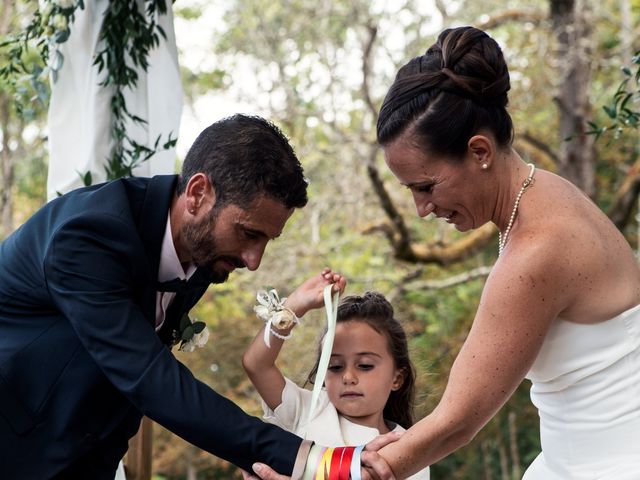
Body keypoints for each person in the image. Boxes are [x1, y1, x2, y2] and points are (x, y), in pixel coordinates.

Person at [248, 26, 640, 480]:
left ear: (479, 151)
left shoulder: (538, 250)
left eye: (426, 186)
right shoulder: (549, 199)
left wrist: (321, 474)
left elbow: (453, 423)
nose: (421, 209)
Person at [0, 114, 313, 479]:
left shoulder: (202, 253)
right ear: (198, 194)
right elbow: (150, 378)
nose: (253, 260)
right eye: (248, 233)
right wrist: (307, 459)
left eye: (266, 241)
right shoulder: (88, 236)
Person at [242, 269, 430, 479]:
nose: (348, 377)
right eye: (335, 367)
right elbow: (257, 364)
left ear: (397, 378)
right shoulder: (307, 410)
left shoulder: (409, 447)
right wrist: (294, 306)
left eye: (365, 365)